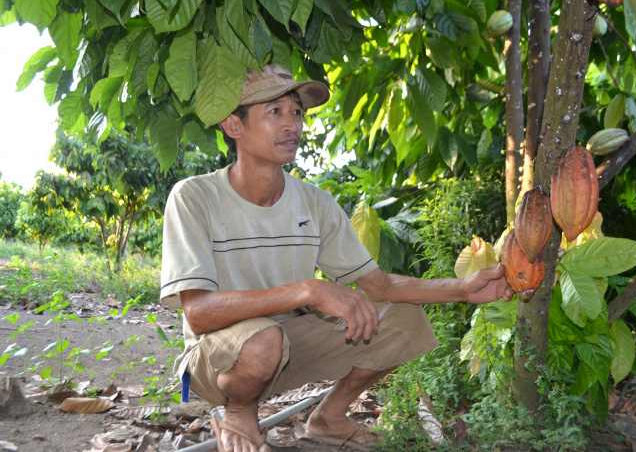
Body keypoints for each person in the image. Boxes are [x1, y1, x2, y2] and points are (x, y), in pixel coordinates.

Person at [160, 64, 515, 452]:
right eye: (275, 112)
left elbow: (380, 285)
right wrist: (308, 290)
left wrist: (463, 289)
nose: (292, 124)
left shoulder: (316, 203)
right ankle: (241, 412)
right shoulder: (194, 197)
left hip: (287, 347)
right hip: (216, 360)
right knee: (263, 340)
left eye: (297, 112)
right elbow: (197, 312)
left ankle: (329, 417)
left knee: (403, 320)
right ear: (233, 126)